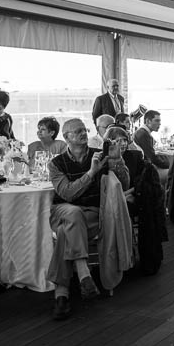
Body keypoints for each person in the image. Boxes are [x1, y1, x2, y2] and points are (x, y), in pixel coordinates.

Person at [47, 118, 130, 320]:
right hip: (63, 210)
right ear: (66, 137)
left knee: (67, 232)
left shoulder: (100, 155)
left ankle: (62, 296)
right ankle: (84, 273)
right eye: (78, 131)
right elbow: (67, 194)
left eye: (84, 129)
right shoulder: (55, 163)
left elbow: (124, 184)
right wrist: (91, 173)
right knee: (73, 214)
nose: (84, 133)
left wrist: (118, 161)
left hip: (93, 213)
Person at [133, 110, 171, 187]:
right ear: (147, 121)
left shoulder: (141, 132)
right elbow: (152, 158)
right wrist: (170, 165)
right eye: (157, 120)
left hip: (144, 167)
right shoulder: (144, 135)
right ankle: (168, 198)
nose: (159, 123)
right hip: (145, 172)